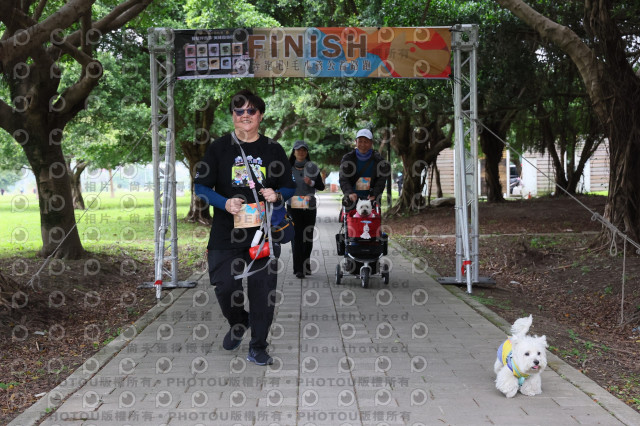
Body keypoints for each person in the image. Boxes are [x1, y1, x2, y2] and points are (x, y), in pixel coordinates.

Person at [194, 89, 295, 366]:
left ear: (260, 115)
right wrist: (224, 203)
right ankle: (239, 321)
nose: (245, 115)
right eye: (239, 111)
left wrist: (277, 194)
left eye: (251, 110)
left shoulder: (273, 149)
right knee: (224, 286)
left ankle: (258, 346)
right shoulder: (218, 148)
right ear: (232, 116)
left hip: (263, 234)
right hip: (225, 233)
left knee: (262, 293)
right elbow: (200, 186)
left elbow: (289, 185)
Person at [287, 140, 325, 279]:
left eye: (303, 150)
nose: (301, 152)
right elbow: (281, 184)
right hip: (293, 206)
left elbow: (321, 186)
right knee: (297, 236)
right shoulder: (287, 167)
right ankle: (298, 268)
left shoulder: (312, 167)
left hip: (309, 205)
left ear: (307, 152)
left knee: (307, 237)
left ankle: (306, 263)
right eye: (298, 150)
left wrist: (311, 182)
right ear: (294, 152)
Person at [339, 128, 390, 208]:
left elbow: (381, 180)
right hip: (352, 199)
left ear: (371, 143)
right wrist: (349, 193)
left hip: (371, 200)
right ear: (356, 142)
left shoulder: (379, 160)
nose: (363, 144)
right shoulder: (348, 158)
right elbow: (343, 178)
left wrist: (375, 194)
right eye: (360, 141)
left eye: (366, 141)